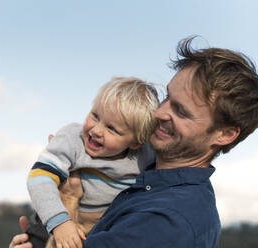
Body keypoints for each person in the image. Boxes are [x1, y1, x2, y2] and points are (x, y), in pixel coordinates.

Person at [10, 36, 258, 248]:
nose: (159, 113)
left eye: (180, 111)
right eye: (167, 97)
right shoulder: (144, 170)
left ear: (224, 134)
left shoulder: (168, 220)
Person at [26, 77, 160, 248]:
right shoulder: (72, 139)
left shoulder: (144, 156)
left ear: (135, 143)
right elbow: (39, 179)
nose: (96, 130)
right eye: (95, 116)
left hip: (102, 227)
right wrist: (60, 223)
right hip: (54, 222)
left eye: (111, 128)